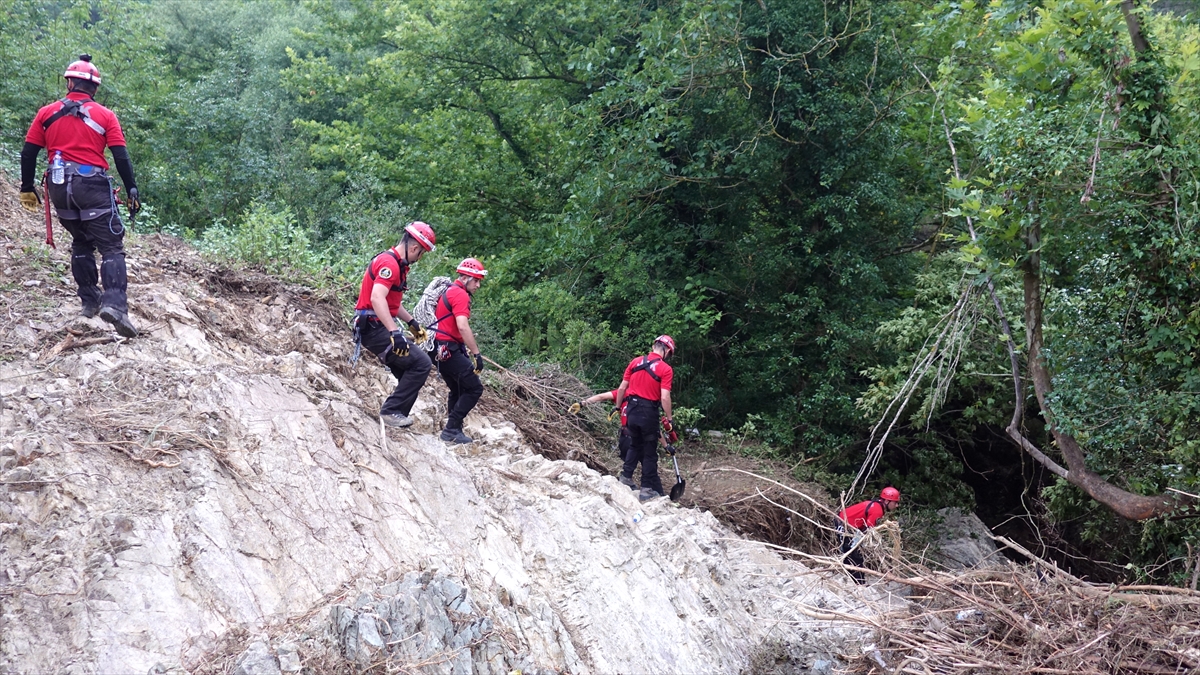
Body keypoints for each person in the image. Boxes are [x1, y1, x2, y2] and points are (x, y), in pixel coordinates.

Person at [18, 55, 141, 338]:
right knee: (111, 246)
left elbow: (29, 153)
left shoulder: (45, 113)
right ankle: (115, 306)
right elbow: (120, 155)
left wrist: (27, 187)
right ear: (94, 88)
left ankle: (89, 301)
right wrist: (131, 186)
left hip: (59, 188)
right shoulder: (105, 115)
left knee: (80, 240)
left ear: (69, 82)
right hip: (92, 185)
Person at [352, 222, 438, 428]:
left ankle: (396, 416)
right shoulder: (389, 264)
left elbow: (391, 303)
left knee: (410, 370)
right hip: (373, 328)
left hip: (375, 325)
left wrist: (411, 323)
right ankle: (390, 412)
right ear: (415, 248)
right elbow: (377, 298)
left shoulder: (398, 265)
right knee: (422, 364)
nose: (420, 258)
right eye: (422, 253)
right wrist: (394, 332)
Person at [431, 258, 488, 444]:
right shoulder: (460, 295)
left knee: (457, 388)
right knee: (474, 388)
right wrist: (476, 354)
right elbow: (462, 327)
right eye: (476, 280)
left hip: (438, 348)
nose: (478, 285)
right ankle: (452, 429)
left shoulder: (450, 291)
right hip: (449, 349)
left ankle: (454, 429)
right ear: (464, 278)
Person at [613, 335, 676, 502]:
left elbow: (622, 388)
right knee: (649, 452)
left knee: (635, 444)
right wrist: (669, 418)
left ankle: (626, 477)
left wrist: (618, 407)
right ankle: (646, 489)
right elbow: (664, 397)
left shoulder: (635, 362)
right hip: (648, 412)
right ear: (667, 350)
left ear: (654, 346)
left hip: (631, 409)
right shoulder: (665, 369)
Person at [835, 486, 901, 584]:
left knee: (853, 554)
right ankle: (858, 582)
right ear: (887, 501)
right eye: (895, 502)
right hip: (844, 525)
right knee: (855, 555)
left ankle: (854, 580)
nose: (896, 505)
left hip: (847, 525)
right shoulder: (877, 510)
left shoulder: (876, 505)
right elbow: (869, 531)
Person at [568, 390, 631, 461]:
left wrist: (582, 404)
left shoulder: (623, 392)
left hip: (627, 434)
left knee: (628, 461)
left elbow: (601, 397)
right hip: (643, 432)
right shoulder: (644, 394)